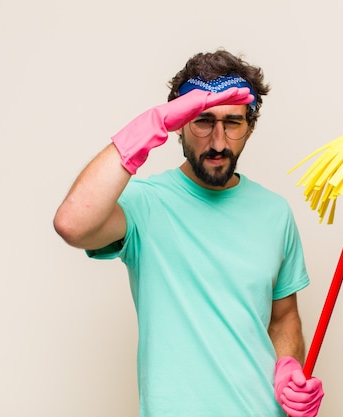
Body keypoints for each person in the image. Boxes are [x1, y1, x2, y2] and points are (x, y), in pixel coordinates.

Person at [53, 49, 324, 417]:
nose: (218, 142)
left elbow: (283, 318)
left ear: (250, 126)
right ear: (179, 124)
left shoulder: (275, 213)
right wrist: (152, 123)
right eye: (202, 121)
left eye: (233, 123)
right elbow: (72, 223)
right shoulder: (144, 205)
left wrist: (288, 369)